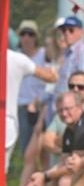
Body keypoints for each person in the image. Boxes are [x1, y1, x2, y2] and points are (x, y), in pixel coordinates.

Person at [6, 49, 57, 171]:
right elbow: (51, 77)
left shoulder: (16, 59)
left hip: (7, 124)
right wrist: (56, 69)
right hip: (7, 124)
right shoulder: (16, 59)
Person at [16, 20, 49, 154]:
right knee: (27, 152)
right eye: (23, 34)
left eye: (30, 34)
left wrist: (37, 101)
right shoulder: (15, 56)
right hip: (21, 110)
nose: (26, 37)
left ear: (36, 37)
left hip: (42, 109)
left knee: (43, 152)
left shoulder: (45, 55)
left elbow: (52, 81)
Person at [54, 16, 84, 102]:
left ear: (81, 32)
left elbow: (82, 85)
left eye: (71, 30)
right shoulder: (68, 53)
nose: (66, 33)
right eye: (64, 30)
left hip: (77, 108)